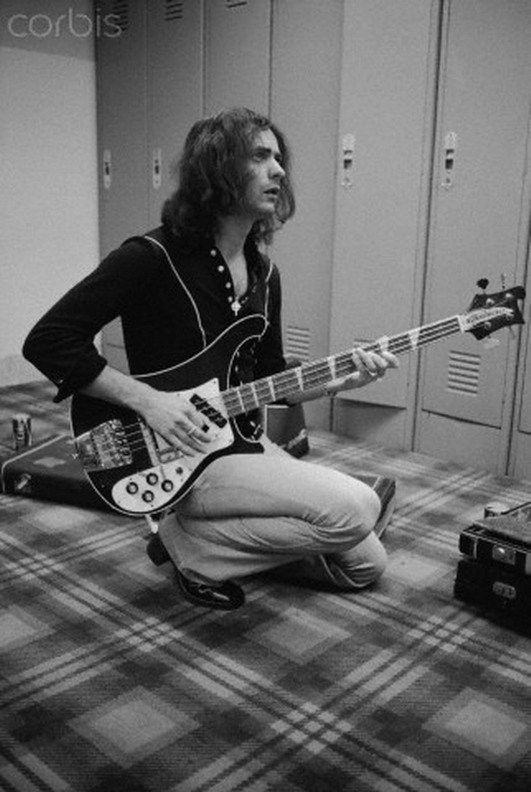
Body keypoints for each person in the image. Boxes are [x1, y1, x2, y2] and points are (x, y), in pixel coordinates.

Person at [23, 107, 399, 610]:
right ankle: (191, 541)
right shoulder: (150, 257)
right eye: (260, 156)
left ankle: (200, 543)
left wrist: (341, 381)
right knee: (357, 508)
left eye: (279, 158)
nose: (278, 170)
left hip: (242, 441)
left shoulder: (266, 274)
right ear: (218, 169)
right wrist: (150, 402)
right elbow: (49, 340)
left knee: (366, 564)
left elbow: (269, 375)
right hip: (177, 451)